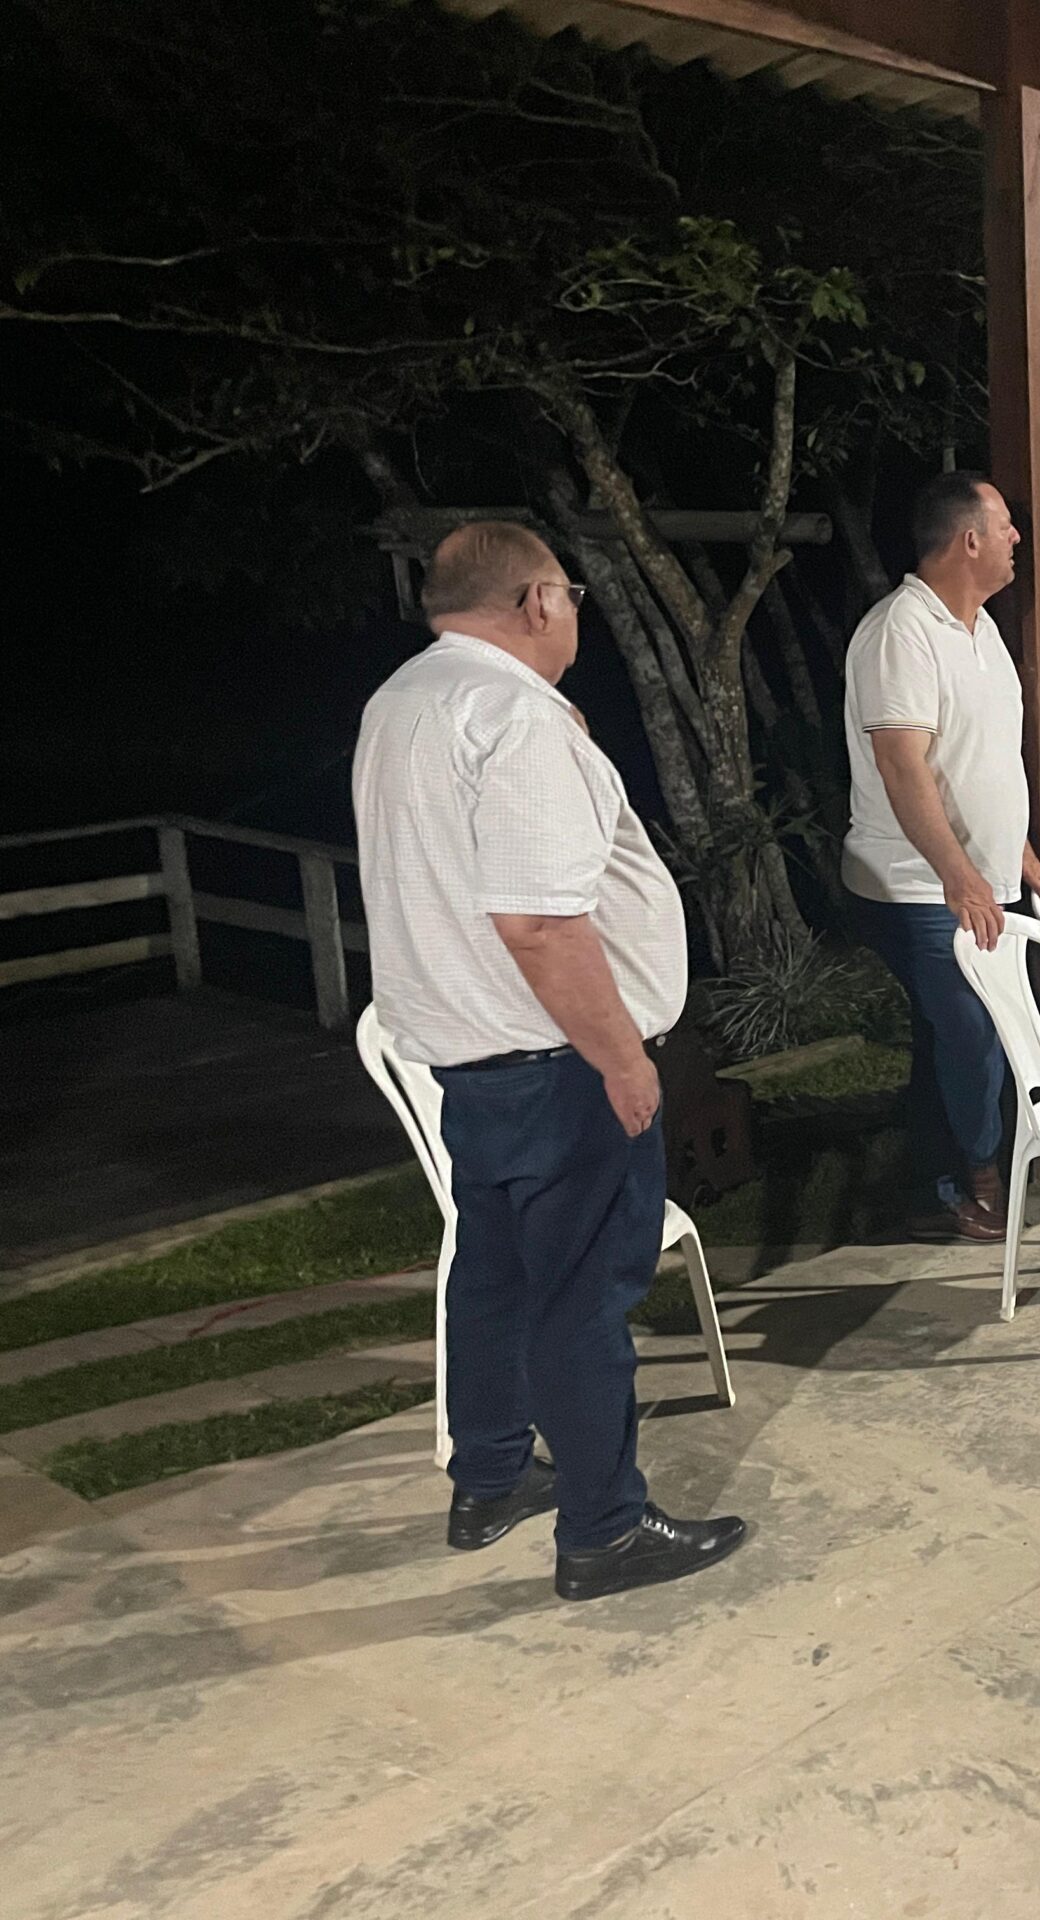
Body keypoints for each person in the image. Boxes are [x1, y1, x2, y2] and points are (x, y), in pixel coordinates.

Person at [353, 522, 748, 1602]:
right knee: (580, 1298)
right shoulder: (513, 719)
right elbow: (538, 923)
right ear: (536, 601)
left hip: (470, 1062)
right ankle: (603, 1530)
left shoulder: (402, 702)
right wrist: (622, 1060)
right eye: (571, 594)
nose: (575, 611)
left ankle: (488, 1479)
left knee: (493, 1274)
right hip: (555, 1062)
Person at [842, 472, 1040, 1243]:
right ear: (970, 540)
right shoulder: (901, 631)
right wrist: (958, 874)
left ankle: (934, 1184)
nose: (1016, 539)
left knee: (954, 1035)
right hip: (916, 885)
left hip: (980, 880)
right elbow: (903, 766)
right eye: (1005, 527)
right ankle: (979, 1180)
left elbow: (980, 756)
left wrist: (1016, 851)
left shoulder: (981, 629)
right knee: (971, 1030)